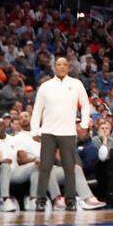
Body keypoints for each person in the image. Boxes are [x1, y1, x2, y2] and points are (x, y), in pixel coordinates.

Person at [31, 57, 92, 211]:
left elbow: (85, 105)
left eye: (65, 64)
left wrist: (84, 124)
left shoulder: (76, 84)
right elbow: (37, 109)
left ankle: (70, 200)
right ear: (54, 67)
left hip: (68, 132)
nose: (62, 67)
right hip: (48, 132)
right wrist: (34, 129)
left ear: (68, 67)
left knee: (69, 167)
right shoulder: (45, 86)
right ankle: (40, 200)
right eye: (59, 64)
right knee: (45, 167)